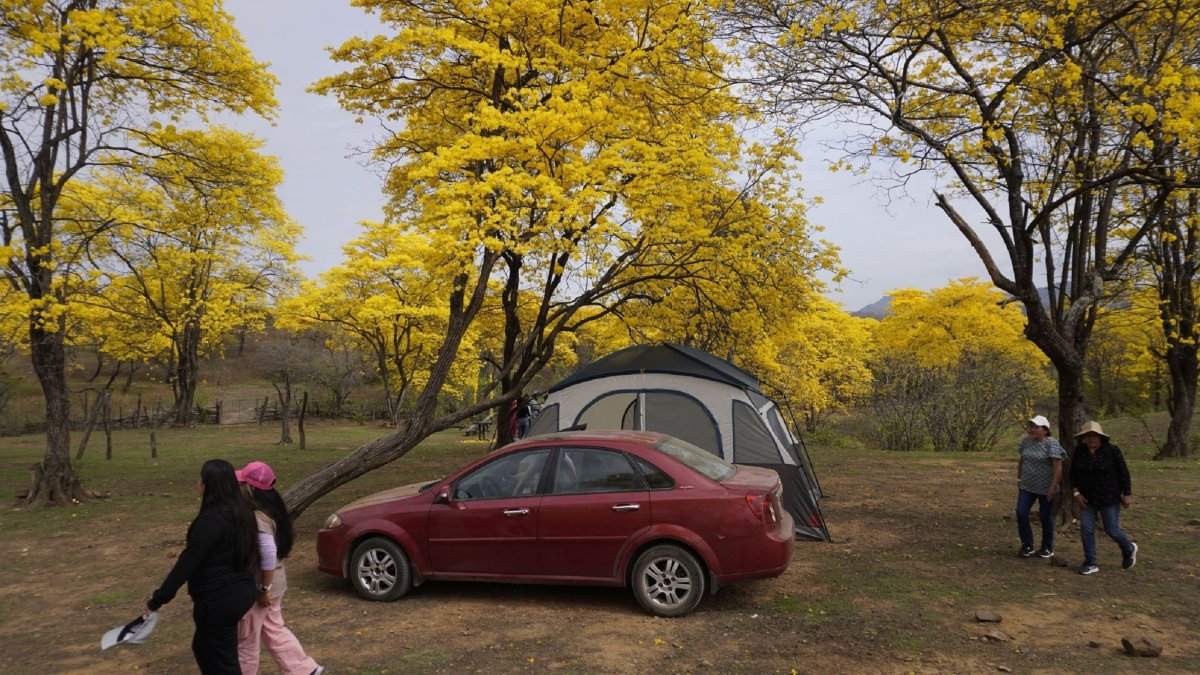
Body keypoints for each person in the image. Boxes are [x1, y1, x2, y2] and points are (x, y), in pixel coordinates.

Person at [146, 459, 258, 673]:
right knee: (204, 648)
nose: (198, 483)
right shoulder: (242, 512)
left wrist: (158, 599)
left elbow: (187, 563)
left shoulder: (212, 521)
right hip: (240, 593)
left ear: (209, 485)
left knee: (223, 662)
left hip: (219, 600)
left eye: (201, 479)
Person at [236, 461, 323, 675]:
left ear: (251, 489)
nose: (238, 489)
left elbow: (267, 553)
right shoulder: (274, 510)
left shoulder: (258, 518)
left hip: (262, 587)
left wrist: (263, 590)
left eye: (241, 485)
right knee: (273, 629)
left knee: (246, 639)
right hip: (275, 582)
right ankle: (305, 670)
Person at [1069, 421, 1138, 575]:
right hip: (1086, 497)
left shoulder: (1112, 451)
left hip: (1109, 496)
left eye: (1095, 435)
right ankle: (1091, 562)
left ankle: (1128, 547)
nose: (1091, 438)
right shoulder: (1080, 451)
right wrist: (1076, 493)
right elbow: (1073, 473)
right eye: (1088, 436)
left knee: (1111, 529)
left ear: (1100, 437)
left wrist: (1127, 494)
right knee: (1086, 528)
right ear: (1084, 438)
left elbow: (1123, 473)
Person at [1015, 415, 1066, 559]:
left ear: (1044, 430)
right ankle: (1027, 544)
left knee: (1046, 516)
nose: (1032, 430)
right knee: (1021, 512)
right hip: (1027, 485)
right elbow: (1022, 460)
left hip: (1046, 487)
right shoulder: (1026, 442)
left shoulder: (1051, 444)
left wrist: (1053, 487)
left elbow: (1058, 468)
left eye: (1036, 427)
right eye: (1031, 426)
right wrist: (1019, 477)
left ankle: (1047, 546)